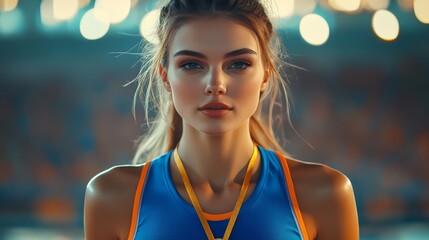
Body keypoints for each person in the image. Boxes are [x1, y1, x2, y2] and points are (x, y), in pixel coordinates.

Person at [84, 0, 359, 239]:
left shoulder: (325, 195)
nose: (216, 84)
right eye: (192, 64)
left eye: (238, 64)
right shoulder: (111, 198)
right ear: (165, 76)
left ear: (265, 74)